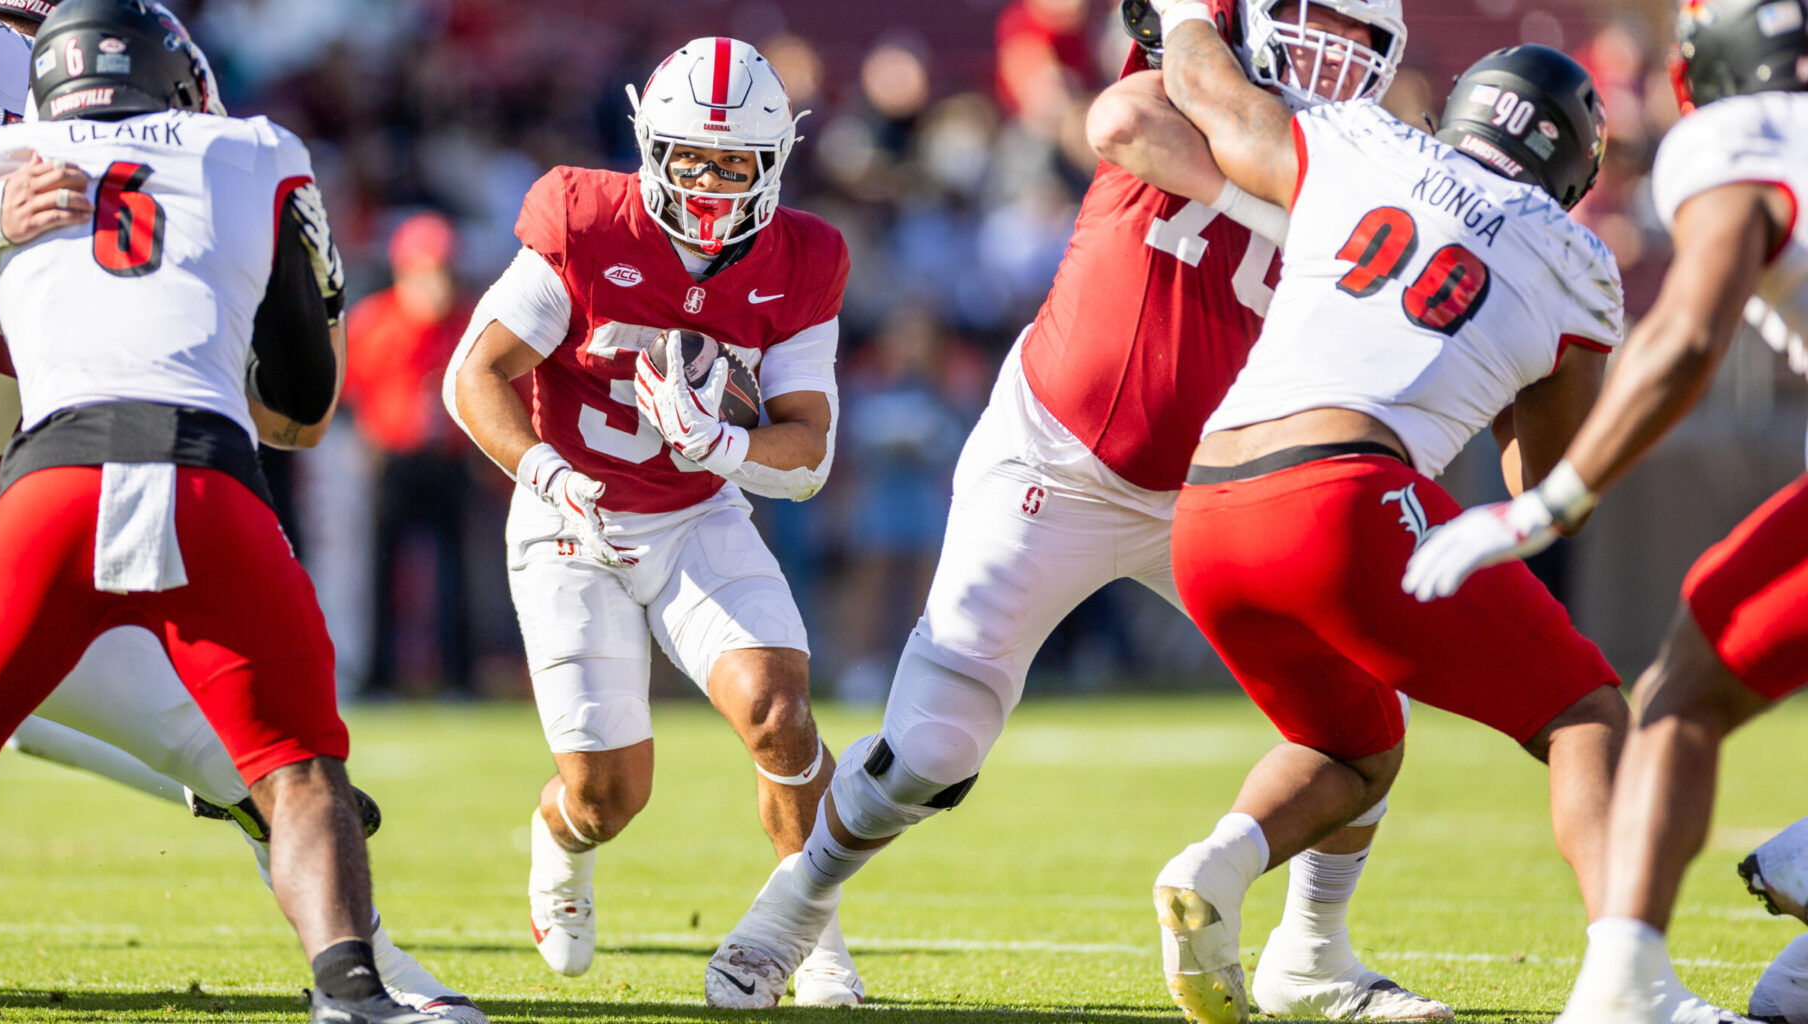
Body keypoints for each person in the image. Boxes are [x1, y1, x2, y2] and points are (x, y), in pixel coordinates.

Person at [704, 2, 1457, 1018]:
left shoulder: (1371, 162)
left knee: (1365, 701)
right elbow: (1119, 124)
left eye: (1354, 29)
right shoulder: (1192, 90)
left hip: (1215, 489)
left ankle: (1315, 950)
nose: (1329, 43)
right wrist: (1309, 214)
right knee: (935, 744)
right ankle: (793, 907)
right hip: (1054, 458)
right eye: (1310, 15)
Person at [0, 3, 484, 1018]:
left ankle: (372, 974)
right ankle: (362, 987)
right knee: (283, 764)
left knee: (218, 762)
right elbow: (299, 408)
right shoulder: (211, 159)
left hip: (12, 545)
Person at [1143, 5, 1642, 1022]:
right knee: (1587, 716)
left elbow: (1208, 93)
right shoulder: (1576, 259)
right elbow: (1546, 487)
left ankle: (1220, 865)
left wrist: (1190, 15)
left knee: (1356, 739)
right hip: (1342, 498)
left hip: (1209, 508)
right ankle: (1627, 981)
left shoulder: (1356, 137)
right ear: (1574, 165)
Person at [1396, 2, 1808, 1022]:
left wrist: (1550, 499)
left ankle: (1624, 979)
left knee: (1687, 688)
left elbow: (1688, 329)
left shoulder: (1741, 134)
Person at [443, 35, 862, 1008]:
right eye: (691, 158)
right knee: (608, 796)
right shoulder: (587, 222)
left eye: (734, 163)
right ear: (648, 147)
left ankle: (817, 935)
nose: (710, 181)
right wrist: (544, 472)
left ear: (774, 165)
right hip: (569, 521)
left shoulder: (803, 258)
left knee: (780, 709)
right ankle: (558, 841)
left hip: (694, 509)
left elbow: (809, 449)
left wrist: (721, 451)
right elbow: (475, 373)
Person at [344, 211, 475, 697]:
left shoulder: (467, 321)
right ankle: (380, 676)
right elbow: (352, 388)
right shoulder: (375, 321)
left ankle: (459, 679)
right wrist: (367, 439)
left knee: (455, 574)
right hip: (393, 460)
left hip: (448, 459)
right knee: (382, 572)